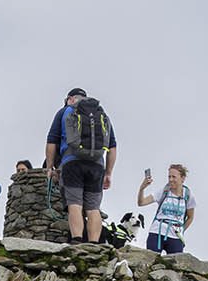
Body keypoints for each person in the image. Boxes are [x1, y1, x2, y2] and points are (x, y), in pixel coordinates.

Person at [44, 87, 118, 244]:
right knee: (93, 207)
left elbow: (52, 141)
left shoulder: (64, 112)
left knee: (74, 204)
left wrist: (50, 167)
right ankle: (93, 244)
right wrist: (108, 173)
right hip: (97, 164)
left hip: (72, 162)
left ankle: (77, 240)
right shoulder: (101, 115)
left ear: (70, 99)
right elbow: (112, 147)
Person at [136, 164, 197, 255]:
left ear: (182, 178)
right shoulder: (163, 191)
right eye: (169, 177)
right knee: (151, 261)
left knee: (175, 266)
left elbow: (190, 217)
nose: (170, 180)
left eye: (174, 177)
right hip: (157, 231)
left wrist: (181, 229)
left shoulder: (188, 196)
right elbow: (141, 203)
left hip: (176, 235)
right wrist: (142, 188)